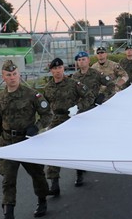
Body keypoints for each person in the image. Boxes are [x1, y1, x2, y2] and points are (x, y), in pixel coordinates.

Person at [0, 60, 53, 219]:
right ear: (3, 77)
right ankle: (9, 212)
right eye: (8, 75)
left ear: (19, 74)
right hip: (8, 142)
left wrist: (36, 126)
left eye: (14, 74)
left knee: (37, 174)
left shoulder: (31, 94)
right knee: (8, 180)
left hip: (27, 142)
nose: (12, 78)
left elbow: (47, 115)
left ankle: (42, 199)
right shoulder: (0, 97)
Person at [43, 58, 92, 195]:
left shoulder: (73, 84)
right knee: (53, 151)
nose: (58, 71)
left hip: (72, 119)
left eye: (60, 68)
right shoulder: (48, 87)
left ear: (63, 68)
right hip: (56, 120)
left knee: (74, 149)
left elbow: (89, 96)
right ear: (51, 70)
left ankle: (79, 172)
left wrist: (78, 107)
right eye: (55, 69)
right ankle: (54, 183)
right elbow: (44, 106)